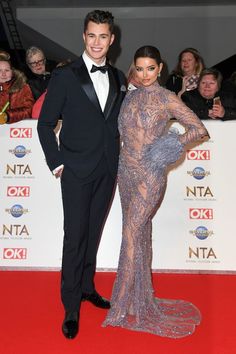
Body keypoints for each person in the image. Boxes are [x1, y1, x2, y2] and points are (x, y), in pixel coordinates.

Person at [103, 45, 209, 338]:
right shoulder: (130, 97)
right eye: (140, 68)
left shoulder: (167, 98)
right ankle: (140, 299)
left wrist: (169, 147)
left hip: (150, 174)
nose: (146, 74)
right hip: (126, 173)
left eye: (151, 68)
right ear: (134, 69)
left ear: (160, 68)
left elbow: (198, 128)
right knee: (139, 234)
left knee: (130, 234)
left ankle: (121, 307)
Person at [37, 10, 126, 340]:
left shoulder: (118, 78)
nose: (98, 42)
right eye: (92, 35)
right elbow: (46, 124)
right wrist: (56, 162)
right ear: (83, 36)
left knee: (93, 232)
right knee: (74, 237)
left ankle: (87, 288)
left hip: (106, 168)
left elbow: (115, 123)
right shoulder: (65, 76)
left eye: (104, 36)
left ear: (111, 39)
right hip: (75, 169)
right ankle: (71, 304)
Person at [0, 55, 34, 125]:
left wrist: (7, 116)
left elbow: (29, 110)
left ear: (12, 71)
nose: (3, 74)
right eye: (0, 70)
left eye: (7, 70)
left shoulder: (22, 87)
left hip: (17, 131)